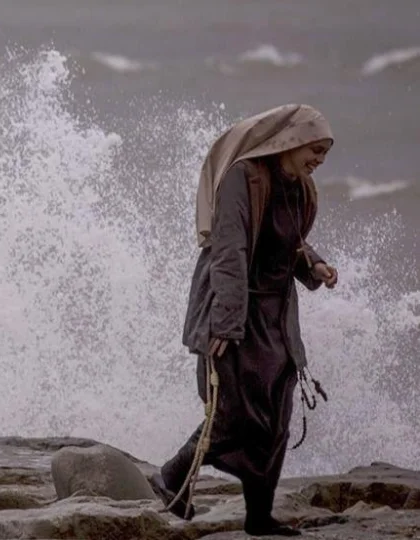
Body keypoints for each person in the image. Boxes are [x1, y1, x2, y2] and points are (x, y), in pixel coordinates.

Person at [150, 104, 338, 537]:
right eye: (315, 149)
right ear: (291, 141)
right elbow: (230, 250)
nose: (319, 160)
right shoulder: (245, 176)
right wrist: (226, 324)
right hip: (237, 312)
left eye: (325, 154)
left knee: (275, 419)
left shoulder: (300, 187)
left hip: (277, 321)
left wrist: (315, 265)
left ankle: (259, 517)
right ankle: (172, 477)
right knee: (233, 415)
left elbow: (290, 242)